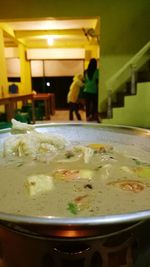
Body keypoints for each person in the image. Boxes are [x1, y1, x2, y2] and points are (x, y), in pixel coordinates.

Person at [83, 58, 101, 123]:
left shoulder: (85, 71)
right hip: (94, 91)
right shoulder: (97, 71)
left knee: (87, 105)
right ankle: (93, 116)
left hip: (86, 90)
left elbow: (85, 80)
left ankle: (87, 117)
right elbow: (98, 81)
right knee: (94, 104)